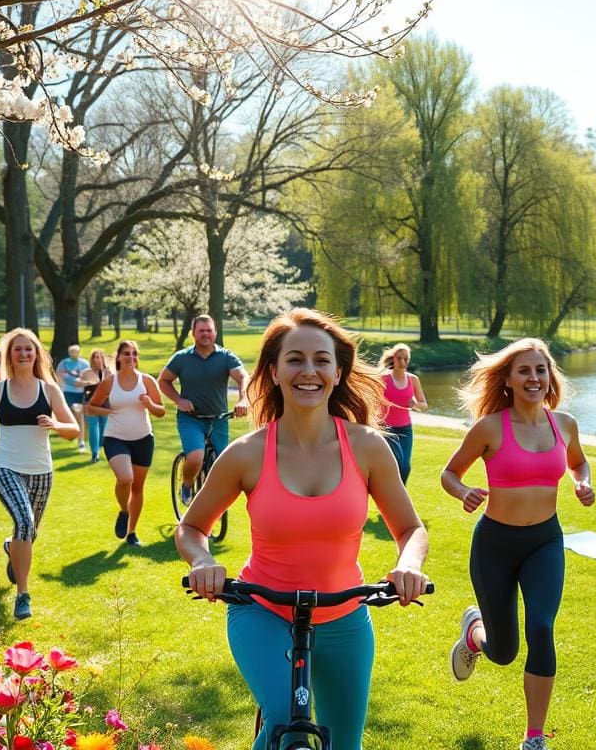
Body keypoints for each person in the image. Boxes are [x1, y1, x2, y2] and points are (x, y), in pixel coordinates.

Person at [176, 308, 429, 750]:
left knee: (343, 743)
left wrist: (409, 564)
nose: (308, 371)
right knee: (285, 725)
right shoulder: (246, 453)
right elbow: (192, 527)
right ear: (273, 372)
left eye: (321, 360)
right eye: (294, 359)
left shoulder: (368, 447)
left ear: (337, 372)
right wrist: (203, 561)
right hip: (262, 610)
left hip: (345, 614)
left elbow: (410, 529)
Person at [440, 338, 595, 750]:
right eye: (524, 371)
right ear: (507, 380)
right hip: (495, 546)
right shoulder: (490, 427)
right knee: (504, 651)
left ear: (550, 377)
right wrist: (463, 492)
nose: (533, 378)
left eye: (540, 370)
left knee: (542, 627)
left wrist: (583, 481)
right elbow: (449, 473)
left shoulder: (564, 424)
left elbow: (578, 460)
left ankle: (534, 737)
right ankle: (475, 634)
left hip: (545, 541)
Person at [0, 328, 79, 620]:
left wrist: (55, 425)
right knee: (23, 520)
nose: (23, 353)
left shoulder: (49, 390)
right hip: (4, 465)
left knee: (27, 533)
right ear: (10, 355)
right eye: (17, 349)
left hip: (41, 471)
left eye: (28, 349)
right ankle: (23, 595)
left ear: (36, 354)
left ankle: (12, 548)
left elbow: (74, 431)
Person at [158, 314, 249, 505]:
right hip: (191, 419)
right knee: (195, 457)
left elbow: (243, 377)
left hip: (219, 419)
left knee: (222, 465)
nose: (206, 334)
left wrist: (243, 400)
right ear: (193, 334)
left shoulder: (226, 357)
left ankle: (211, 503)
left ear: (215, 333)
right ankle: (187, 484)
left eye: (209, 330)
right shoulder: (182, 358)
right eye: (201, 331)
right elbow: (163, 380)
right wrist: (179, 400)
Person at [86, 340, 165, 546]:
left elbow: (161, 411)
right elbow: (91, 407)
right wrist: (108, 411)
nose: (131, 358)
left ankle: (131, 532)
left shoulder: (146, 380)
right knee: (125, 478)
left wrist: (149, 404)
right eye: (126, 354)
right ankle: (124, 510)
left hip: (143, 438)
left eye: (134, 354)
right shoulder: (110, 382)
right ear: (119, 357)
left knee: (138, 487)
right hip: (115, 437)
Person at [379, 343, 428, 483]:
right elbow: (372, 400)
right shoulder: (383, 378)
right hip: (386, 428)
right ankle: (390, 494)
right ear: (393, 359)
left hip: (405, 428)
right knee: (396, 462)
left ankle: (400, 494)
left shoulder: (413, 379)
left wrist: (415, 405)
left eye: (406, 359)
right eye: (399, 358)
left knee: (405, 466)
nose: (402, 362)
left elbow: (424, 404)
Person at [81, 348, 113, 463]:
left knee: (104, 427)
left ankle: (101, 446)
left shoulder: (109, 373)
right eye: (94, 357)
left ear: (102, 359)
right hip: (90, 404)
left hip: (106, 404)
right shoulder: (86, 373)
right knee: (93, 427)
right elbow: (81, 389)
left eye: (98, 357)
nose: (96, 359)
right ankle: (95, 454)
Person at [56, 343, 90, 452]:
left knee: (79, 416)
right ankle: (75, 435)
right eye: (71, 352)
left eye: (75, 352)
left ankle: (81, 441)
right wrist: (73, 382)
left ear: (79, 353)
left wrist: (84, 383)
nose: (73, 354)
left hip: (81, 393)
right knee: (72, 415)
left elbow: (89, 376)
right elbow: (59, 375)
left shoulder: (84, 363)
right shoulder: (64, 363)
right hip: (68, 392)